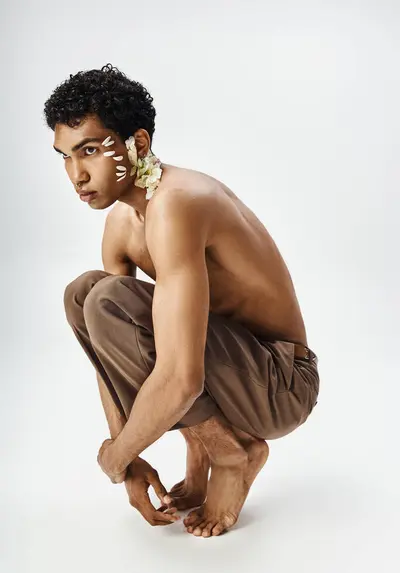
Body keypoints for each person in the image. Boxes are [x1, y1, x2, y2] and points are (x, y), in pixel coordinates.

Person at [43, 63, 320, 538]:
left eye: (90, 150)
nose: (76, 174)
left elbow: (181, 375)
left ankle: (233, 454)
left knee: (108, 301)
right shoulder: (120, 226)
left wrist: (114, 456)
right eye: (65, 156)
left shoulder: (176, 204)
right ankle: (205, 450)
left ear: (139, 145)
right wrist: (128, 460)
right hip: (232, 374)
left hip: (281, 383)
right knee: (84, 296)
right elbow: (117, 355)